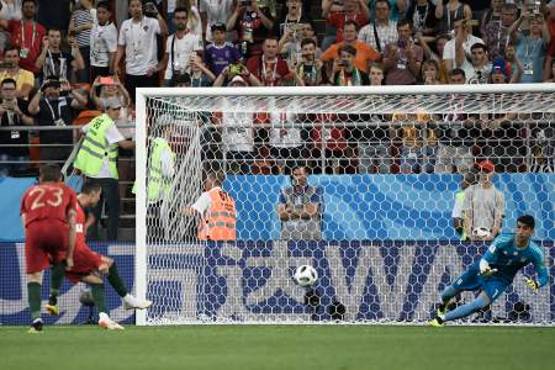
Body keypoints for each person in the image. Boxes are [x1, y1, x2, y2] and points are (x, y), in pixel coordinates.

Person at [46, 181, 151, 330]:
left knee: (96, 281)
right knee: (108, 263)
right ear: (93, 194)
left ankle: (104, 316)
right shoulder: (76, 210)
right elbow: (77, 245)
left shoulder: (73, 205)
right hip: (70, 254)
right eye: (99, 195)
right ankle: (127, 300)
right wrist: (96, 261)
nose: (99, 199)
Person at [429, 215, 548, 327]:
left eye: (525, 228)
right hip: (481, 269)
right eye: (518, 227)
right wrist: (484, 269)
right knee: (448, 294)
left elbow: (544, 276)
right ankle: (443, 306)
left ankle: (440, 320)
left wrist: (537, 283)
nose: (520, 231)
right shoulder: (503, 240)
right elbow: (485, 260)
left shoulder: (535, 252)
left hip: (500, 279)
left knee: (478, 304)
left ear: (532, 231)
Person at [20, 164, 77, 333]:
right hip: (58, 228)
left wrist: (33, 242)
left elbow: (25, 223)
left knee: (34, 277)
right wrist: (70, 254)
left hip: (34, 229)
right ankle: (53, 296)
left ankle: (36, 319)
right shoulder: (67, 191)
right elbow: (72, 223)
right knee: (61, 257)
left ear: (40, 178)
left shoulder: (29, 192)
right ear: (60, 179)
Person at [73, 97, 135, 241]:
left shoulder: (97, 120)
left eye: (119, 108)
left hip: (91, 172)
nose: (118, 112)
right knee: (114, 210)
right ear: (107, 110)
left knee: (93, 211)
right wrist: (142, 141)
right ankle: (112, 241)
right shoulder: (108, 125)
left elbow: (80, 131)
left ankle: (93, 242)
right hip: (106, 174)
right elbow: (124, 145)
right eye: (115, 109)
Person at [114, 0, 168, 103]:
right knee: (132, 104)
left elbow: (165, 31)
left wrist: (157, 14)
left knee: (151, 105)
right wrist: (116, 64)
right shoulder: (125, 24)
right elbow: (121, 46)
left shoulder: (152, 22)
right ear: (129, 9)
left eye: (138, 6)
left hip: (148, 71)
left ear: (142, 7)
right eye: (133, 6)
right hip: (131, 72)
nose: (136, 8)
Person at [27, 76, 88, 163]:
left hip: (67, 144)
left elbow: (83, 102)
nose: (52, 90)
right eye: (49, 88)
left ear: (60, 89)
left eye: (55, 87)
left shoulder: (67, 100)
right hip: (48, 146)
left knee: (67, 173)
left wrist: (70, 90)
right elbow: (31, 110)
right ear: (45, 89)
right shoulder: (41, 103)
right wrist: (40, 90)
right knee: (48, 173)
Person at [186, 172, 237, 241]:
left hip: (211, 240)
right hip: (229, 241)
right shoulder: (230, 198)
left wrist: (177, 209)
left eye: (206, 181)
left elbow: (192, 212)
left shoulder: (208, 195)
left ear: (211, 181)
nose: (204, 184)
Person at [277, 165, 323, 240]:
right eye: (295, 175)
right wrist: (302, 210)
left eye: (300, 174)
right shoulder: (285, 192)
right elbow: (282, 215)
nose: (297, 178)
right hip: (288, 237)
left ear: (307, 175)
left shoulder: (315, 191)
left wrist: (290, 210)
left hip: (311, 238)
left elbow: (309, 213)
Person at [463, 160, 505, 242]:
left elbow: (498, 218)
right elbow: (468, 216)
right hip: (473, 236)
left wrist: (492, 236)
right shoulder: (470, 191)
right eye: (482, 171)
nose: (484, 174)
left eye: (487, 171)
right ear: (478, 173)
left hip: (491, 236)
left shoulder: (499, 194)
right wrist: (469, 235)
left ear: (493, 173)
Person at [161, 6, 204, 87]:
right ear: (173, 20)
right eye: (177, 18)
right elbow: (165, 60)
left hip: (186, 78)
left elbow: (200, 57)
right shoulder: (170, 39)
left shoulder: (195, 37)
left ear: (187, 20)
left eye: (183, 18)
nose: (180, 21)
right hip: (170, 77)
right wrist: (154, 68)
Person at [2, 0, 47, 76]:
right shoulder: (14, 24)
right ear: (22, 9)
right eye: (26, 7)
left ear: (36, 9)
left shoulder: (41, 29)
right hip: (15, 70)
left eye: (31, 7)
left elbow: (44, 49)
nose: (29, 9)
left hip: (34, 71)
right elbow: (2, 22)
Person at [0, 78, 33, 177]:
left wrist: (20, 113)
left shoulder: (24, 104)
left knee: (22, 181)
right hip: (3, 151)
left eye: (11, 89)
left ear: (15, 90)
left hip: (22, 150)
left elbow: (32, 124)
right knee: (3, 182)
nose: (8, 92)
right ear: (1, 91)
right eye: (6, 89)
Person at [89, 1, 118, 80]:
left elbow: (113, 53)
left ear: (109, 14)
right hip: (92, 64)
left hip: (103, 67)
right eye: (98, 12)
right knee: (93, 90)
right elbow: (88, 5)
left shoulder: (111, 30)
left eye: (103, 13)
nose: (100, 15)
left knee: (101, 91)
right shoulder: (96, 20)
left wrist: (110, 72)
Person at [452, 171, 476, 241]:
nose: (461, 183)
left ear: (470, 183)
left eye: (464, 180)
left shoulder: (460, 196)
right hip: (484, 236)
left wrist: (464, 233)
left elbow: (456, 221)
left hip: (468, 237)